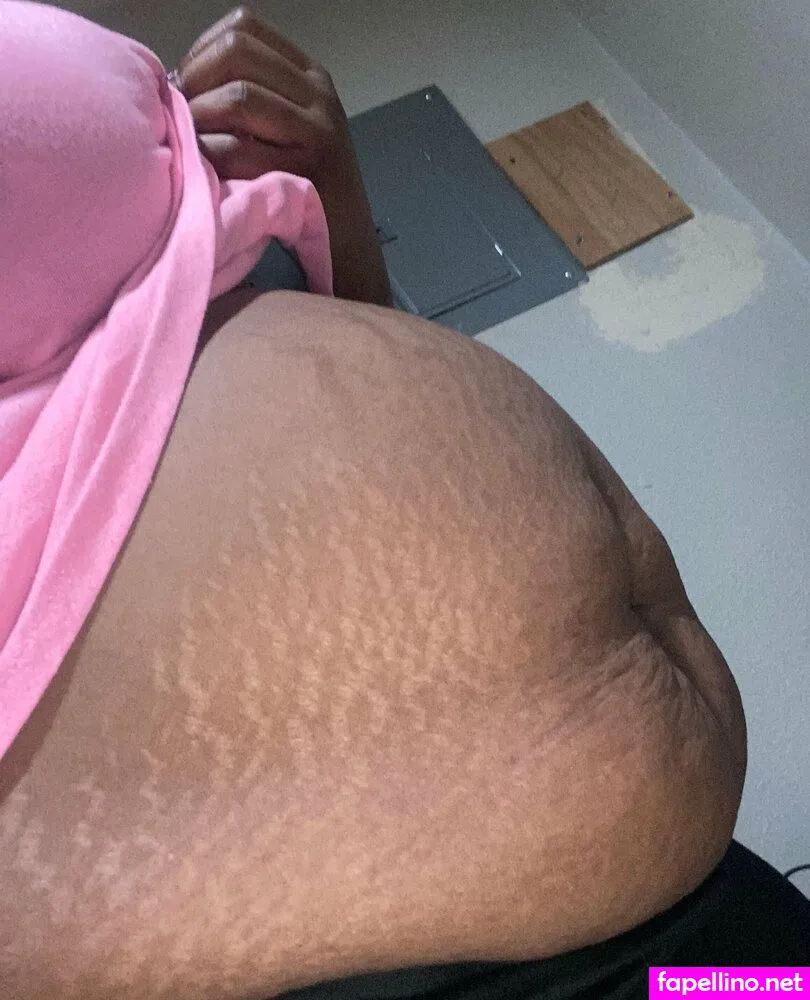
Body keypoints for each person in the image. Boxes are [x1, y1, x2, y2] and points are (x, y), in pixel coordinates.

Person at [0, 5, 807, 999]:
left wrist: (329, 188)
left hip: (695, 923)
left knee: (781, 976)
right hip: (441, 961)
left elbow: (305, 371)